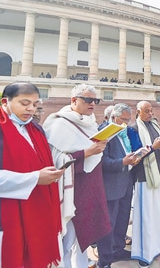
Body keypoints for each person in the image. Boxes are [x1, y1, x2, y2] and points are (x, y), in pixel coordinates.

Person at [0, 82, 64, 268]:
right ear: (5, 102)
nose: (31, 109)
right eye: (24, 103)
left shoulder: (35, 130)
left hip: (35, 218)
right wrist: (34, 178)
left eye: (35, 104)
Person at [42, 83, 112, 268]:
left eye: (95, 100)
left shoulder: (90, 122)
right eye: (88, 100)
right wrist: (87, 153)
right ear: (74, 100)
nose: (93, 104)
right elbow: (54, 160)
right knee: (67, 240)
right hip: (70, 190)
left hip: (90, 187)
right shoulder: (58, 123)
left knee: (84, 240)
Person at [95, 103, 145, 268]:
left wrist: (134, 159)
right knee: (108, 223)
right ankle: (105, 259)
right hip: (111, 185)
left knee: (122, 219)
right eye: (123, 119)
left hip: (126, 181)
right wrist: (122, 162)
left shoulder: (121, 131)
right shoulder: (104, 132)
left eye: (128, 120)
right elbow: (102, 162)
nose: (126, 123)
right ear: (113, 117)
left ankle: (118, 249)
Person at [129, 100, 160, 267]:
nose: (150, 113)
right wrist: (154, 147)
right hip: (145, 178)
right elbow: (135, 155)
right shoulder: (133, 129)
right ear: (138, 112)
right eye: (146, 111)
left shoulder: (156, 126)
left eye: (151, 110)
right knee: (146, 216)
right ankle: (144, 252)